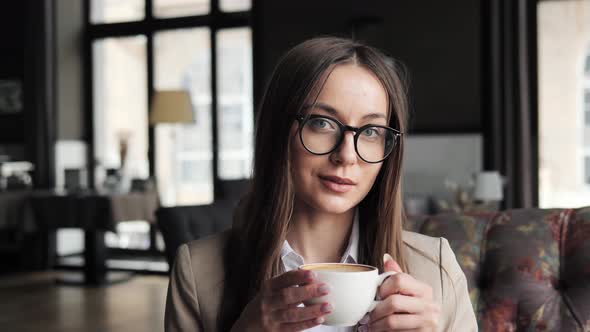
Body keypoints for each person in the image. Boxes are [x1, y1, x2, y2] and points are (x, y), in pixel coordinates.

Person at [165, 37, 477, 332]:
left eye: (370, 131)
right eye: (321, 123)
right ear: (277, 132)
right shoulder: (197, 271)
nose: (345, 155)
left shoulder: (435, 267)